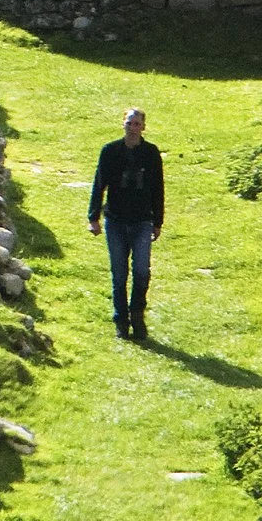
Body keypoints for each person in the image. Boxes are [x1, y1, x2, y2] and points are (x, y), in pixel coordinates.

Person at [89, 107, 166, 344]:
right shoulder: (110, 151)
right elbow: (99, 182)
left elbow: (158, 188)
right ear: (123, 124)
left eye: (137, 124)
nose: (133, 128)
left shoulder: (151, 153)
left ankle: (137, 315)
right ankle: (121, 320)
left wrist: (158, 221)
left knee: (142, 270)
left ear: (143, 127)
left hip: (142, 220)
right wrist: (93, 217)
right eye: (129, 123)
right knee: (119, 272)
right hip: (116, 220)